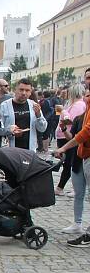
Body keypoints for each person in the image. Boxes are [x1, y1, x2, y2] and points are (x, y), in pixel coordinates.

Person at [55, 88, 90, 236]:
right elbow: (73, 137)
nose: (87, 98)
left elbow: (83, 134)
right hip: (78, 158)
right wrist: (63, 128)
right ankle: (77, 223)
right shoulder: (80, 118)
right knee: (79, 193)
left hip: (86, 156)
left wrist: (63, 148)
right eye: (87, 95)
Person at [55, 83, 87, 196]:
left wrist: (64, 113)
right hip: (66, 135)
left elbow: (74, 121)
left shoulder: (79, 105)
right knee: (68, 163)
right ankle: (62, 187)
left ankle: (65, 187)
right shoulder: (73, 104)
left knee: (71, 163)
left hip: (69, 136)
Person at [0, 78, 47, 152]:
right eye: (21, 90)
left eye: (27, 90)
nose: (24, 93)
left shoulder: (34, 105)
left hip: (29, 150)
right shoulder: (4, 106)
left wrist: (38, 116)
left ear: (30, 92)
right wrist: (11, 131)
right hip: (11, 150)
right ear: (15, 90)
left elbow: (42, 129)